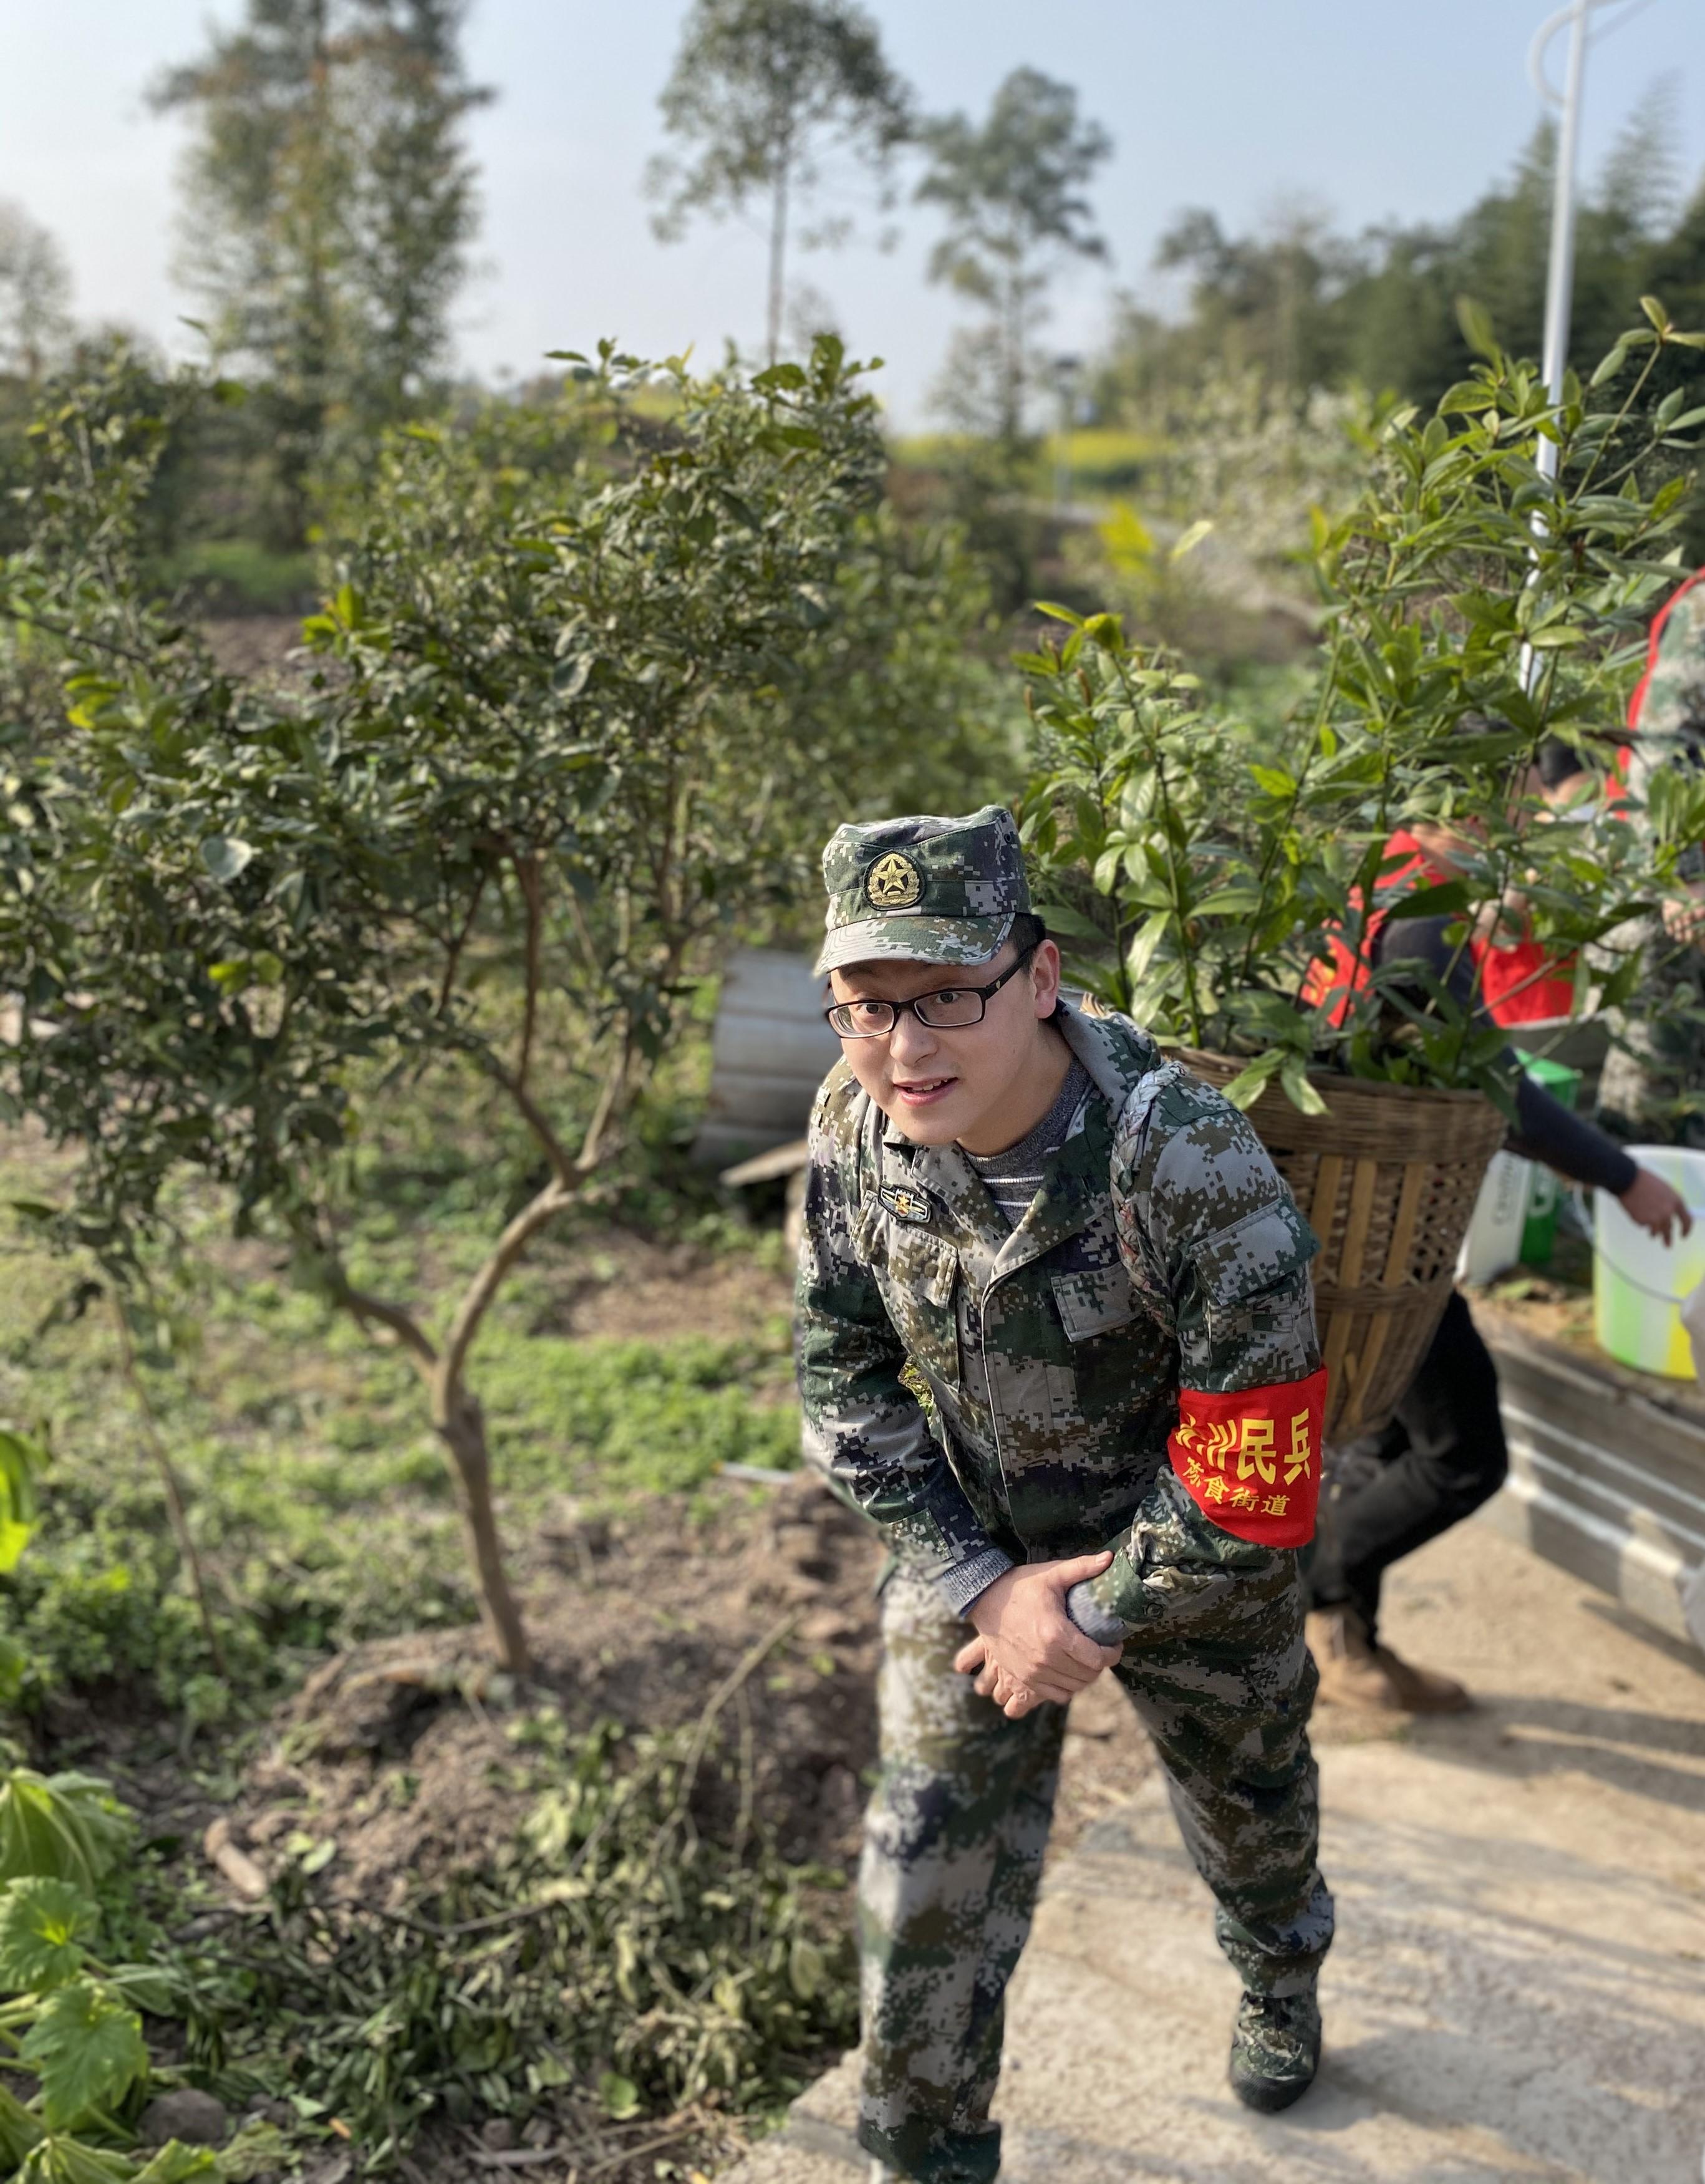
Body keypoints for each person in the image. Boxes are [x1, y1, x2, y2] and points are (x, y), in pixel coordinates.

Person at [795, 806, 1335, 2184]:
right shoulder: (854, 1129)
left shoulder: (1185, 1161)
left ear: (1037, 979)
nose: (903, 1049)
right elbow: (840, 1384)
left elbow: (1256, 1460)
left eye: (945, 998)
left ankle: (1277, 1973)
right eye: (862, 1008)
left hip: (1194, 1569)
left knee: (1252, 1813)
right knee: (923, 1873)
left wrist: (1090, 1609)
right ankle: (921, 2153)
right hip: (977, 1559)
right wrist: (984, 1583)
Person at [1300, 793, 1691, 1712]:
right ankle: (1315, 1584)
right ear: (1477, 808)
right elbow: (1489, 1077)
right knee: (1461, 1456)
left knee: (1385, 1436)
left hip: (1347, 1218)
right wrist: (1619, 1173)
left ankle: (1345, 1636)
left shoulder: (1374, 875)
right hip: (1384, 1231)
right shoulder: (1422, 915)